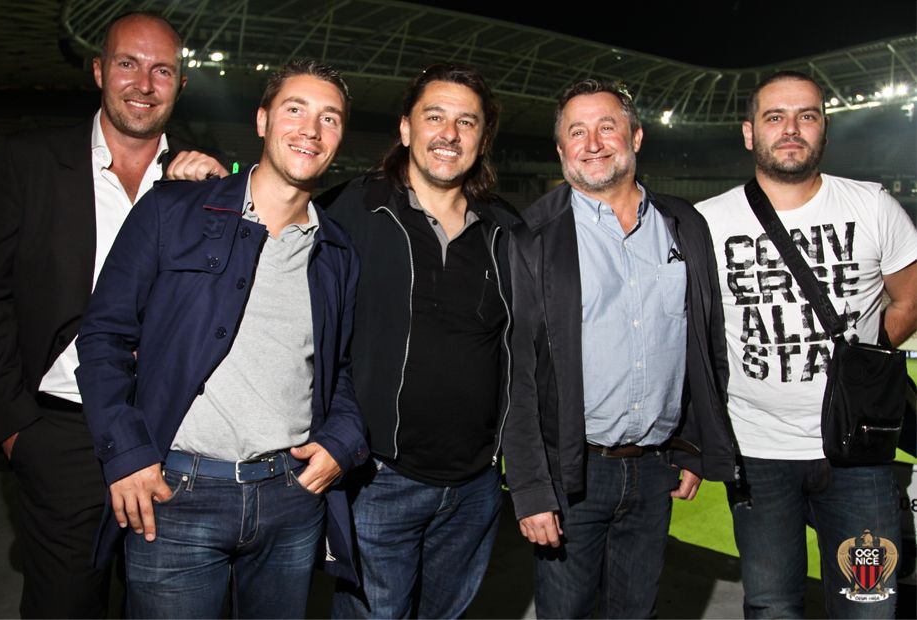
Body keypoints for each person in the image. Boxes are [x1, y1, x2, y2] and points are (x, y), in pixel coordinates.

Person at [74, 59, 367, 618]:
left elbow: (342, 368)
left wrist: (343, 439)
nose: (311, 129)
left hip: (291, 499)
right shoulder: (172, 210)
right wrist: (127, 454)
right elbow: (104, 337)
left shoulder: (337, 251)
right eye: (295, 110)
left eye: (329, 118)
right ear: (262, 120)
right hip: (175, 496)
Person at [0, 11, 226, 618]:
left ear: (180, 84)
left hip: (170, 435)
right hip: (61, 435)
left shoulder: (204, 178)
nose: (144, 84)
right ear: (98, 71)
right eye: (128, 64)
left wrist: (218, 196)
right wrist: (16, 429)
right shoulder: (30, 161)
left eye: (162, 70)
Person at [504, 78, 736, 618]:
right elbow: (517, 373)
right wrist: (532, 489)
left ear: (635, 136)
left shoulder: (684, 224)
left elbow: (702, 342)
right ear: (561, 149)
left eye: (606, 127)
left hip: (655, 467)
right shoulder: (532, 236)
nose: (592, 143)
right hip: (573, 473)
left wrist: (693, 445)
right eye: (576, 132)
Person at [695, 70, 916, 619]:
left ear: (824, 129)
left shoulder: (872, 205)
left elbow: (910, 298)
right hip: (757, 452)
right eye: (775, 117)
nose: (791, 129)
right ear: (750, 132)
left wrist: (859, 366)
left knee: (868, 605)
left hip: (858, 451)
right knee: (771, 606)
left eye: (806, 116)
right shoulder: (707, 222)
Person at [317, 63, 520, 618]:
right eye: (434, 117)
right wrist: (204, 178)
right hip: (379, 478)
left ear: (483, 138)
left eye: (466, 122)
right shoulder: (350, 209)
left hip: (476, 486)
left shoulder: (506, 230)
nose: (449, 134)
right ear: (406, 128)